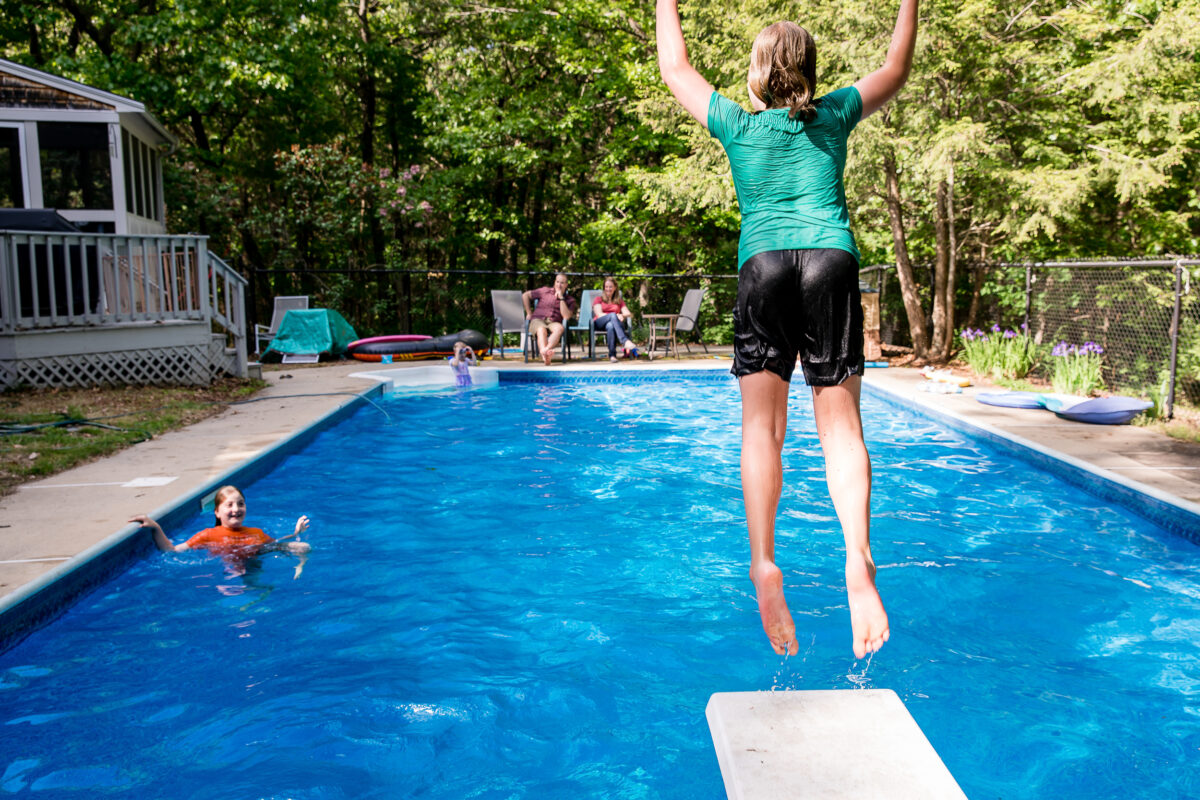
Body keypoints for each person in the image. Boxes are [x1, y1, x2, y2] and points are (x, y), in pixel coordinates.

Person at [657, 0, 918, 659]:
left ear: (757, 76)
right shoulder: (834, 114)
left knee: (761, 430)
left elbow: (674, 66)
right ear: (809, 71)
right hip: (830, 259)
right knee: (841, 432)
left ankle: (765, 562)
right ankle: (857, 559)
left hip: (764, 263)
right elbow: (896, 65)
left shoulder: (738, 126)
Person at [130, 484, 312, 579]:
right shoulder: (209, 535)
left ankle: (299, 566)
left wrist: (295, 533)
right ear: (217, 511)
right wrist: (156, 528)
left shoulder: (255, 532)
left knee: (303, 546)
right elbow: (172, 551)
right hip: (230, 564)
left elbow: (276, 544)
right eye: (229, 505)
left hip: (254, 557)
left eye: (241, 503)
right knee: (240, 574)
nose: (236, 508)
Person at [523, 273, 578, 366]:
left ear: (566, 285)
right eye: (557, 282)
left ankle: (545, 350)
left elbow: (566, 316)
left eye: (562, 283)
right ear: (554, 282)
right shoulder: (544, 291)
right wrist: (529, 312)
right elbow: (525, 295)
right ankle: (546, 358)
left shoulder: (570, 300)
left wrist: (561, 298)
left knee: (560, 328)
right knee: (541, 330)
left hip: (554, 321)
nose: (559, 285)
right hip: (538, 319)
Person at [591, 277, 640, 362]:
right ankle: (624, 341)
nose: (608, 289)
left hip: (613, 324)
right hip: (600, 323)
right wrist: (615, 316)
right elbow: (599, 314)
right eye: (606, 287)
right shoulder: (598, 299)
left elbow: (628, 313)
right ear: (604, 288)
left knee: (610, 326)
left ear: (615, 288)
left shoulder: (619, 301)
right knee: (612, 316)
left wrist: (622, 315)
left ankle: (612, 355)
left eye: (610, 287)